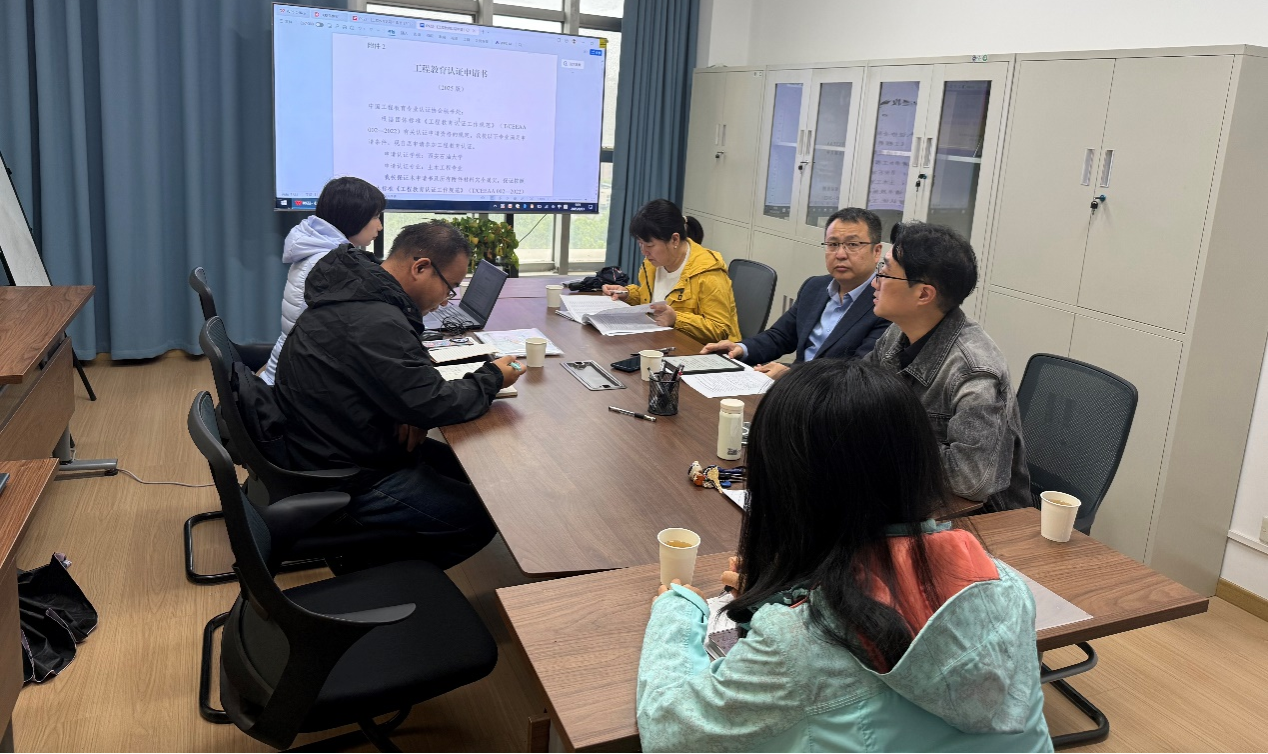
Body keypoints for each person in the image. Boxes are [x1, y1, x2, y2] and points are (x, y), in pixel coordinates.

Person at [637, 359, 1052, 753]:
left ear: (784, 485)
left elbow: (667, 730)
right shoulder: (1004, 583)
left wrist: (677, 609)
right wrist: (781, 592)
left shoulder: (796, 644)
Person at [273, 221, 525, 569]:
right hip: (346, 473)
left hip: (331, 440)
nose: (446, 300)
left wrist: (406, 409)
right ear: (421, 267)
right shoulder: (376, 320)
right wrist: (493, 376)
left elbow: (410, 393)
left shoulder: (359, 292)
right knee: (480, 518)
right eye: (450, 287)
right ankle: (374, 576)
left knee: (470, 472)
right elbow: (434, 403)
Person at [866, 223, 1032, 512]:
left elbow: (970, 480)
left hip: (979, 519)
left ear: (923, 295)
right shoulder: (898, 333)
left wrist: (887, 440)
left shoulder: (974, 373)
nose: (874, 282)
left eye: (885, 271)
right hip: (911, 489)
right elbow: (860, 393)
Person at [700, 207, 889, 379]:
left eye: (853, 244)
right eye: (833, 244)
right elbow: (781, 336)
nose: (840, 254)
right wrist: (741, 348)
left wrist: (791, 374)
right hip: (793, 389)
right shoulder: (815, 287)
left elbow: (858, 373)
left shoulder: (885, 305)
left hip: (835, 398)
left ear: (876, 251)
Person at [261, 176, 386, 385]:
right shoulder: (331, 263)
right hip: (294, 381)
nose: (380, 226)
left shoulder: (318, 250)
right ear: (355, 216)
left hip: (288, 367)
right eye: (375, 217)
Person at [601, 199, 741, 343]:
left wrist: (676, 319)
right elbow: (651, 301)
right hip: (662, 340)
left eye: (649, 245)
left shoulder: (708, 273)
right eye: (640, 244)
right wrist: (627, 294)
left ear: (674, 240)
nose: (644, 252)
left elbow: (720, 330)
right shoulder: (652, 264)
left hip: (702, 350)